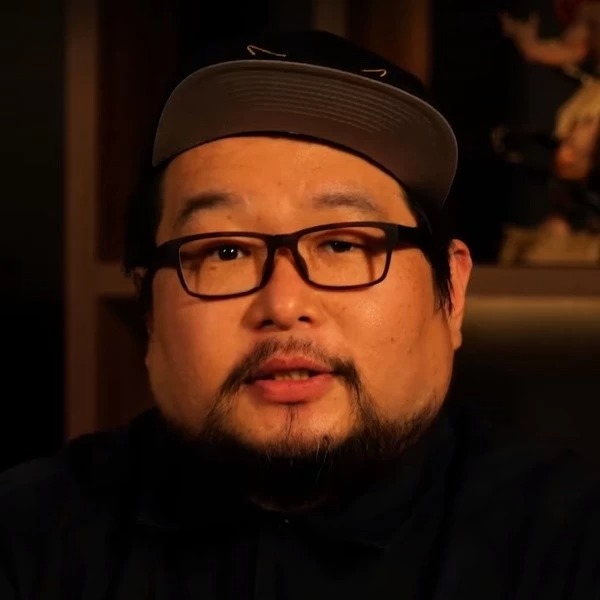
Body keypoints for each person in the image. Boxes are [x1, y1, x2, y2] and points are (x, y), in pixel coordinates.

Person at [1, 29, 599, 599]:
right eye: (225, 251)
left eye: (342, 244)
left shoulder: (569, 544)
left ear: (452, 293)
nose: (284, 305)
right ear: (149, 310)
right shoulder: (28, 536)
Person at [499, 2, 600, 262]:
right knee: (569, 158)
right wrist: (530, 45)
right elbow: (572, 49)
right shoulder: (590, 9)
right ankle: (573, 218)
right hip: (594, 106)